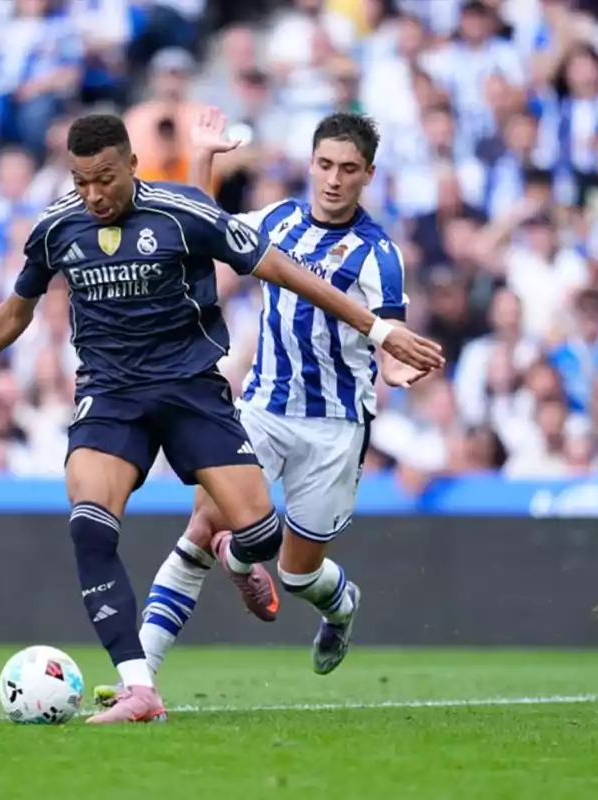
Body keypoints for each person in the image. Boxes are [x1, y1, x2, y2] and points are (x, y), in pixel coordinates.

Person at [0, 113, 443, 724]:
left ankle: (311, 591)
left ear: (132, 166)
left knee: (278, 555)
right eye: (81, 181)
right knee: (93, 526)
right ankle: (140, 685)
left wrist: (382, 337)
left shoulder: (378, 252)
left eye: (104, 179)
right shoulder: (60, 226)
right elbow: (16, 309)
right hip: (141, 397)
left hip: (226, 399)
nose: (93, 195)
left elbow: (237, 246)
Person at [95, 107, 429, 708]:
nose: (332, 179)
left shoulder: (379, 255)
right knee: (200, 530)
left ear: (368, 175)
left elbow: (392, 336)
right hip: (261, 410)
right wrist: (203, 158)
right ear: (310, 164)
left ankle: (340, 603)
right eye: (324, 164)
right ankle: (136, 682)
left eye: (347, 169)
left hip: (334, 427)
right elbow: (200, 229)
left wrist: (401, 366)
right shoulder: (277, 219)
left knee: (299, 573)